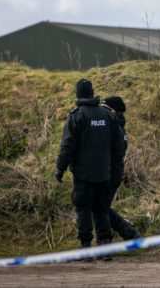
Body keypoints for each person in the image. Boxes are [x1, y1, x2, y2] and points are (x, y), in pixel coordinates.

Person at [55, 79, 123, 250]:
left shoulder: (76, 116)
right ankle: (105, 245)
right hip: (104, 172)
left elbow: (67, 146)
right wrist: (111, 165)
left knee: (83, 208)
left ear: (78, 94)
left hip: (83, 173)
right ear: (92, 93)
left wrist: (60, 168)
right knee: (101, 209)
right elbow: (119, 147)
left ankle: (85, 245)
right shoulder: (108, 115)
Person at [100, 96, 140, 241]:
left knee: (100, 208)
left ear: (112, 109)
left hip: (110, 173)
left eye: (105, 107)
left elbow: (114, 152)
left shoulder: (114, 127)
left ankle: (127, 234)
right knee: (100, 207)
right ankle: (128, 234)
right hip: (112, 172)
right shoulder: (117, 125)